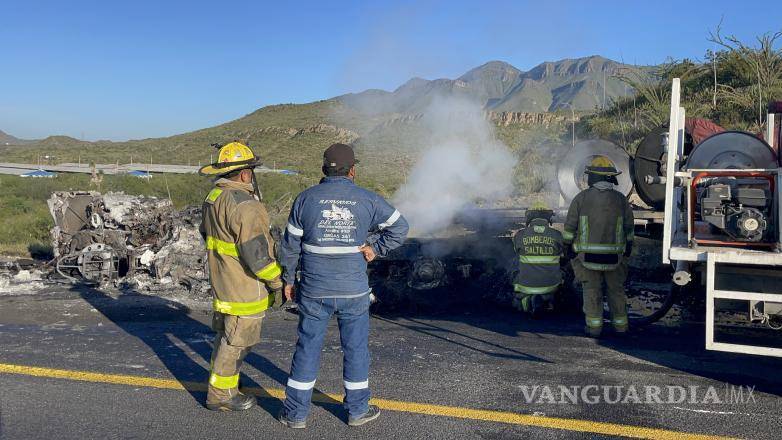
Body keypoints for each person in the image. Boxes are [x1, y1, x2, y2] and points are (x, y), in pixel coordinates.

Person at [278, 143, 409, 428]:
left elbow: (289, 247)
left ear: (324, 169)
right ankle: (357, 411)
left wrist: (288, 279)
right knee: (356, 349)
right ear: (352, 170)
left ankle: (296, 414)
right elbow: (401, 227)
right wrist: (376, 248)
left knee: (307, 348)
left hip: (314, 291)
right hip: (354, 292)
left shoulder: (305, 199)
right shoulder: (367, 199)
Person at [198, 141, 284, 411]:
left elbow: (207, 235)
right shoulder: (246, 206)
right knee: (235, 343)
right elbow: (259, 258)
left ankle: (225, 386)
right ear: (245, 174)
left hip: (223, 282)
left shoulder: (214, 198)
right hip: (244, 289)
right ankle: (221, 395)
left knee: (226, 338)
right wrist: (278, 284)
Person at [562, 156, 634, 338]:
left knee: (592, 291)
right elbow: (629, 227)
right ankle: (621, 327)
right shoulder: (621, 200)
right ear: (611, 178)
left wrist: (567, 247)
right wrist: (629, 245)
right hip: (615, 258)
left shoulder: (581, 198)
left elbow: (570, 227)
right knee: (616, 291)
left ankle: (594, 328)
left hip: (587, 258)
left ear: (592, 178)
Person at [511, 203, 563, 316]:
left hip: (525, 285)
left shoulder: (520, 235)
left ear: (529, 217)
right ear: (548, 217)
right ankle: (547, 300)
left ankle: (526, 301)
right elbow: (562, 253)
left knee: (514, 266)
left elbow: (516, 250)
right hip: (551, 285)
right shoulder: (557, 235)